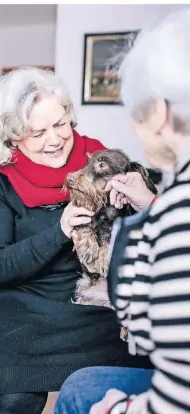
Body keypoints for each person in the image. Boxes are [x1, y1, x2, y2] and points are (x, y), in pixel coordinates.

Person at [0, 67, 155, 414]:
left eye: (60, 124)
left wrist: (142, 200)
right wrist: (58, 231)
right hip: (21, 310)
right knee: (14, 398)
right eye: (37, 132)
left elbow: (145, 236)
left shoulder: (99, 160)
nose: (55, 139)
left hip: (91, 304)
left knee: (134, 375)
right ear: (13, 136)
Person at [54, 8, 190, 414]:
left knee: (85, 396)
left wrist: (117, 409)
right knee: (82, 383)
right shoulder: (171, 203)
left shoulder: (175, 218)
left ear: (161, 112)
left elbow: (178, 391)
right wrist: (150, 207)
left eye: (136, 113)